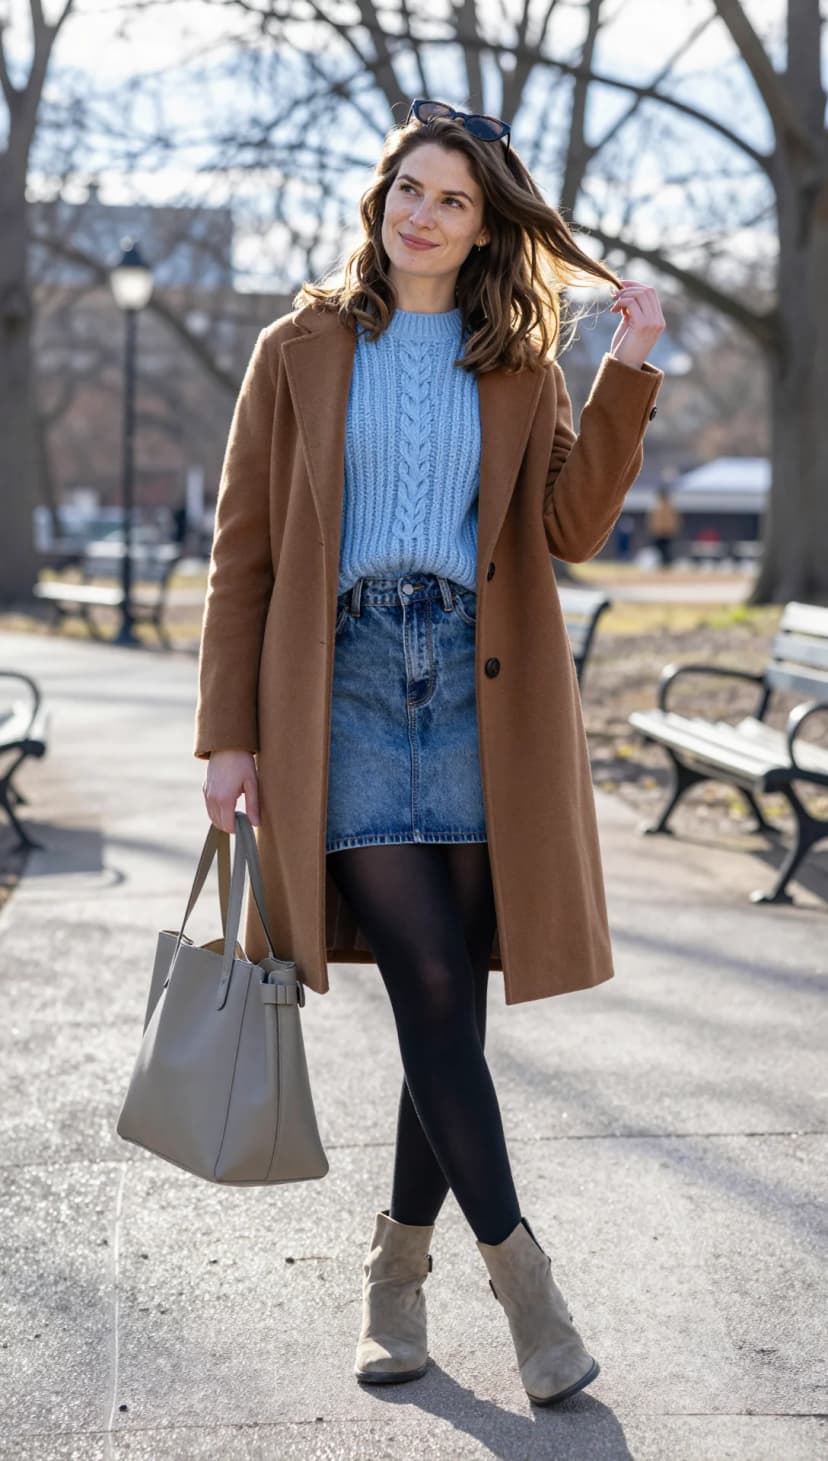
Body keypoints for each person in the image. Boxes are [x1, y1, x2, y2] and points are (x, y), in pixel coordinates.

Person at [195, 97, 664, 1406]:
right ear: (380, 196)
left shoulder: (517, 360)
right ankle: (527, 1287)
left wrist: (625, 374)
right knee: (435, 993)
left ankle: (398, 1271)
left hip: (476, 687)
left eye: (453, 199)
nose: (423, 212)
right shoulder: (297, 349)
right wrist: (228, 735)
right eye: (409, 186)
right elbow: (244, 553)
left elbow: (571, 526)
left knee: (443, 1000)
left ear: (483, 226)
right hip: (340, 689)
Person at [646, 484, 682, 566]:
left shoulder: (668, 506)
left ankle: (667, 562)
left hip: (667, 531)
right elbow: (652, 520)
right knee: (660, 548)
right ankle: (664, 562)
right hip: (659, 531)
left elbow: (676, 520)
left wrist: (674, 528)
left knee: (666, 548)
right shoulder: (657, 506)